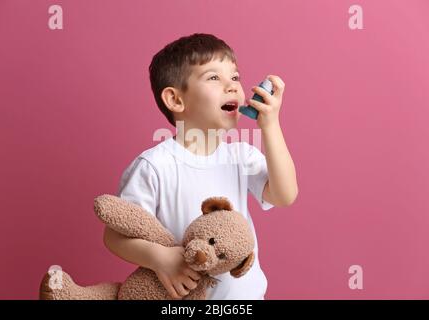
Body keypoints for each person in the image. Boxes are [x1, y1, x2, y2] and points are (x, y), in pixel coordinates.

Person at [103, 33, 298, 300]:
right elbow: (115, 237)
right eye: (214, 77)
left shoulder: (241, 156)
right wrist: (160, 258)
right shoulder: (154, 166)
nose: (232, 86)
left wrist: (271, 126)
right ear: (175, 100)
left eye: (235, 77)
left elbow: (285, 194)